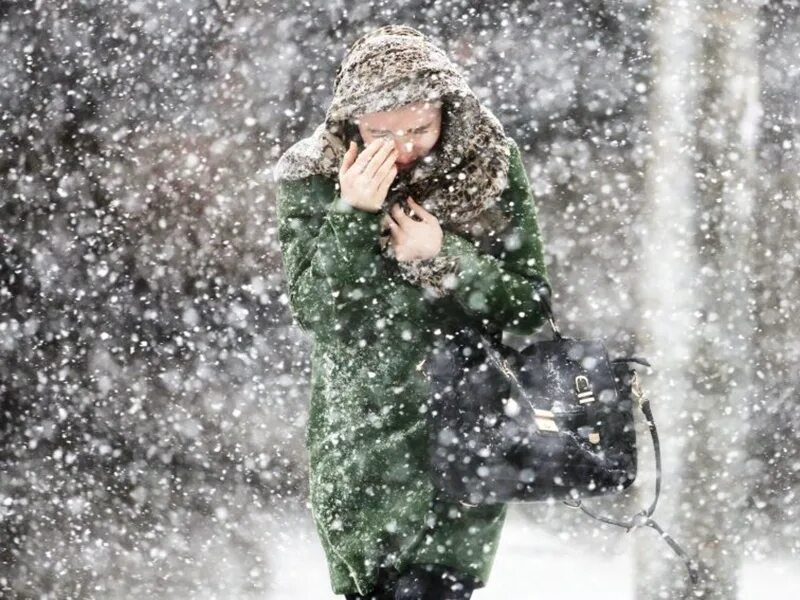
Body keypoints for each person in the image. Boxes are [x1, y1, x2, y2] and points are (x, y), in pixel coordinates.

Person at [274, 25, 551, 599]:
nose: (401, 148)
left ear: (448, 113)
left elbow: (529, 308)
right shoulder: (313, 175)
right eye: (380, 133)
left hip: (464, 433)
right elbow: (319, 312)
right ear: (351, 123)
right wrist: (352, 214)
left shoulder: (489, 165)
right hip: (361, 439)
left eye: (419, 129)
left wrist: (444, 257)